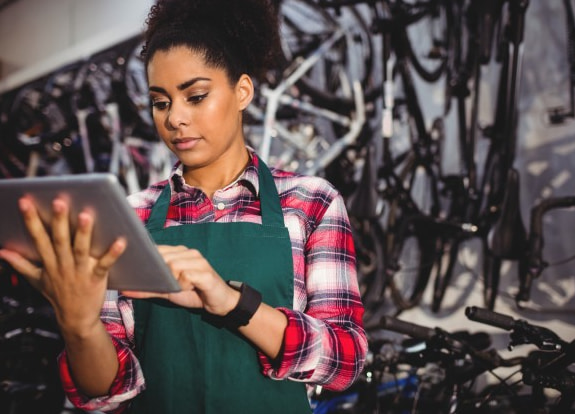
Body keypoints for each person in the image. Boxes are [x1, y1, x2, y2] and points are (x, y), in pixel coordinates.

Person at [0, 0, 368, 413]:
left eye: (195, 96)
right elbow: (102, 395)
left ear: (241, 91)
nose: (175, 118)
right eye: (161, 102)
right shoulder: (130, 216)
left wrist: (232, 303)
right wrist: (78, 326)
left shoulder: (310, 202)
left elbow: (345, 360)